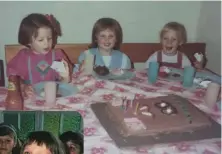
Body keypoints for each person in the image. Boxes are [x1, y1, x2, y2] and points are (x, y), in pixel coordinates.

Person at [6, 13, 73, 98]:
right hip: (31, 98)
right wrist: (23, 87)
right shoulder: (23, 57)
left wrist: (65, 78)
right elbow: (14, 77)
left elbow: (63, 82)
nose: (46, 43)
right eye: (41, 40)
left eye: (49, 38)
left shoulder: (56, 56)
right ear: (28, 41)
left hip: (52, 97)